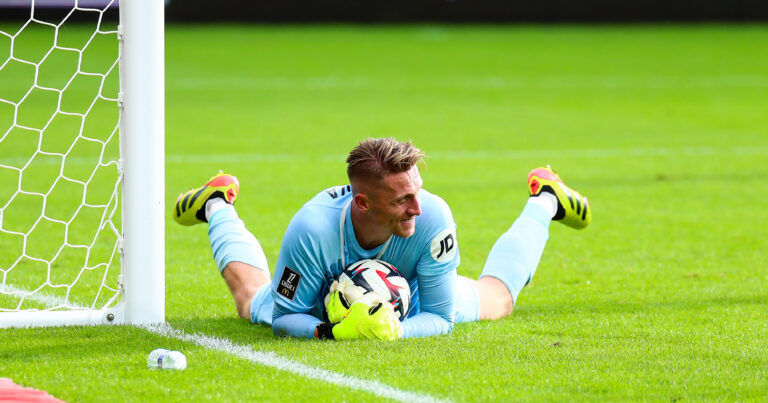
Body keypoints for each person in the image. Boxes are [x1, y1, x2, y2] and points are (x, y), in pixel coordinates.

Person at [173, 137, 590, 340]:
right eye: (402, 200)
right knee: (250, 301)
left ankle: (545, 200)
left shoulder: (434, 220)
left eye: (418, 192)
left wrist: (389, 329)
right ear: (364, 204)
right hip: (321, 305)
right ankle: (216, 204)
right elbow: (285, 317)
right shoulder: (312, 231)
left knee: (497, 300)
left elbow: (442, 318)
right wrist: (334, 332)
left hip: (417, 302)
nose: (417, 208)